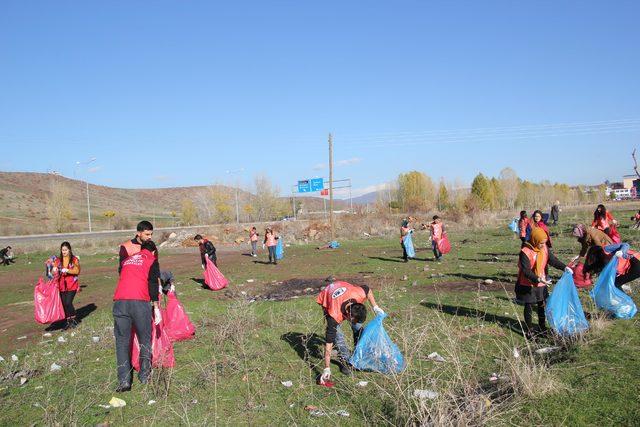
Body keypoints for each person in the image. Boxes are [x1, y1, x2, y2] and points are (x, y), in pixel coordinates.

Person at [112, 239, 162, 392]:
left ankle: (124, 382)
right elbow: (153, 282)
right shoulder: (151, 260)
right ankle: (144, 375)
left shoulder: (127, 260)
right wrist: (155, 305)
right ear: (153, 251)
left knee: (121, 342)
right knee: (144, 338)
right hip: (139, 302)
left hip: (120, 302)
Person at [317, 279, 384, 384]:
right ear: (348, 314)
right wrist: (327, 367)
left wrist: (375, 307)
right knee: (338, 337)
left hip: (346, 289)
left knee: (358, 328)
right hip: (328, 294)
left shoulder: (358, 294)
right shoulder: (333, 316)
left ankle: (358, 354)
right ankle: (346, 362)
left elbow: (368, 290)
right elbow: (328, 344)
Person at [515, 228, 571, 338]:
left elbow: (552, 260)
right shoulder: (525, 252)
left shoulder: (544, 248)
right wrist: (538, 279)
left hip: (541, 281)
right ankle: (529, 330)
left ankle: (542, 327)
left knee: (541, 304)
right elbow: (526, 271)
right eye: (541, 243)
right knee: (529, 304)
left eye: (544, 242)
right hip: (528, 283)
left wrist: (565, 267)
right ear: (535, 240)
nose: (543, 245)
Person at [51, 242, 81, 329]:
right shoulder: (58, 260)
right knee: (64, 304)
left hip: (72, 285)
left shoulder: (74, 259)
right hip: (61, 285)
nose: (64, 252)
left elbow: (77, 271)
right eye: (62, 250)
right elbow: (53, 273)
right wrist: (54, 270)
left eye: (65, 250)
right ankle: (68, 321)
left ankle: (74, 319)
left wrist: (67, 270)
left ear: (69, 250)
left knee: (68, 302)